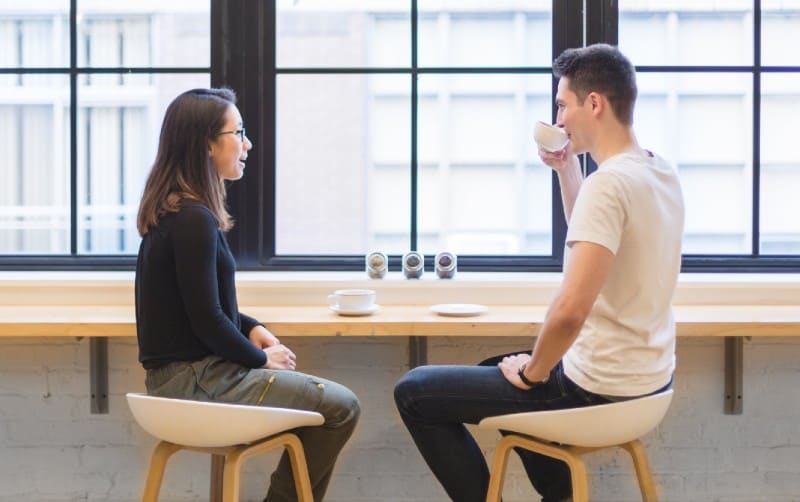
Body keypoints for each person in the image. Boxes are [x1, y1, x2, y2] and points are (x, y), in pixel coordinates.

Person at [394, 43, 684, 502]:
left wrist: (534, 374)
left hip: (598, 389)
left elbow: (570, 311)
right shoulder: (656, 170)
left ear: (594, 103)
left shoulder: (608, 184)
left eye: (562, 105)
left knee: (415, 392)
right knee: (495, 370)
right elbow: (597, 239)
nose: (559, 119)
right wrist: (568, 170)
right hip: (648, 381)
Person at [135, 88, 360, 502]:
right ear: (207, 144)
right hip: (194, 383)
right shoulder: (193, 221)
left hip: (181, 379)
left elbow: (203, 306)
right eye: (238, 132)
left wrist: (252, 327)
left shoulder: (177, 211)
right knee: (342, 407)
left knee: (311, 403)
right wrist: (260, 359)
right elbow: (206, 320)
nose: (247, 143)